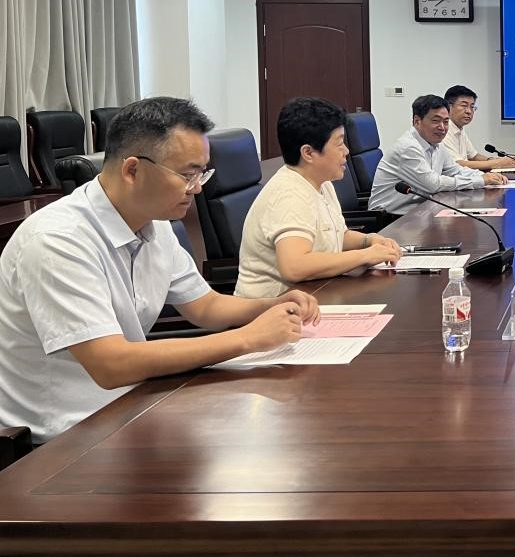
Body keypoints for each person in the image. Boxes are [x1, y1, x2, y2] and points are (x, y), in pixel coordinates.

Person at [0, 97, 321, 445]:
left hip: (131, 406)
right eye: (187, 174)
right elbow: (111, 365)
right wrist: (248, 339)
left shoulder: (154, 223)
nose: (197, 188)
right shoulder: (57, 241)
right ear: (132, 170)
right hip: (62, 440)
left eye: (202, 173)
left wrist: (271, 305)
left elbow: (206, 307)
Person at [235, 97, 403, 299]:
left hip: (312, 297)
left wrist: (370, 240)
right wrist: (364, 256)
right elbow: (295, 267)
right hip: (270, 309)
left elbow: (336, 236)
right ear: (308, 153)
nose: (347, 151)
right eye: (339, 143)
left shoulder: (321, 182)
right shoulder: (289, 195)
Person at [369, 94, 506, 214]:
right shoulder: (408, 148)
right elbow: (433, 184)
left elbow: (456, 170)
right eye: (436, 121)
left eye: (446, 122)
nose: (442, 127)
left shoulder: (437, 144)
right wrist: (481, 181)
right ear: (417, 121)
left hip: (420, 211)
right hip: (390, 219)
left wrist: (485, 176)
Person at [440, 85, 515, 172]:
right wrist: (498, 163)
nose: (469, 111)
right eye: (464, 105)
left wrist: (493, 160)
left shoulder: (459, 128)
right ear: (448, 107)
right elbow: (458, 164)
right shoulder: (443, 130)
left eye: (472, 107)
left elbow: (474, 156)